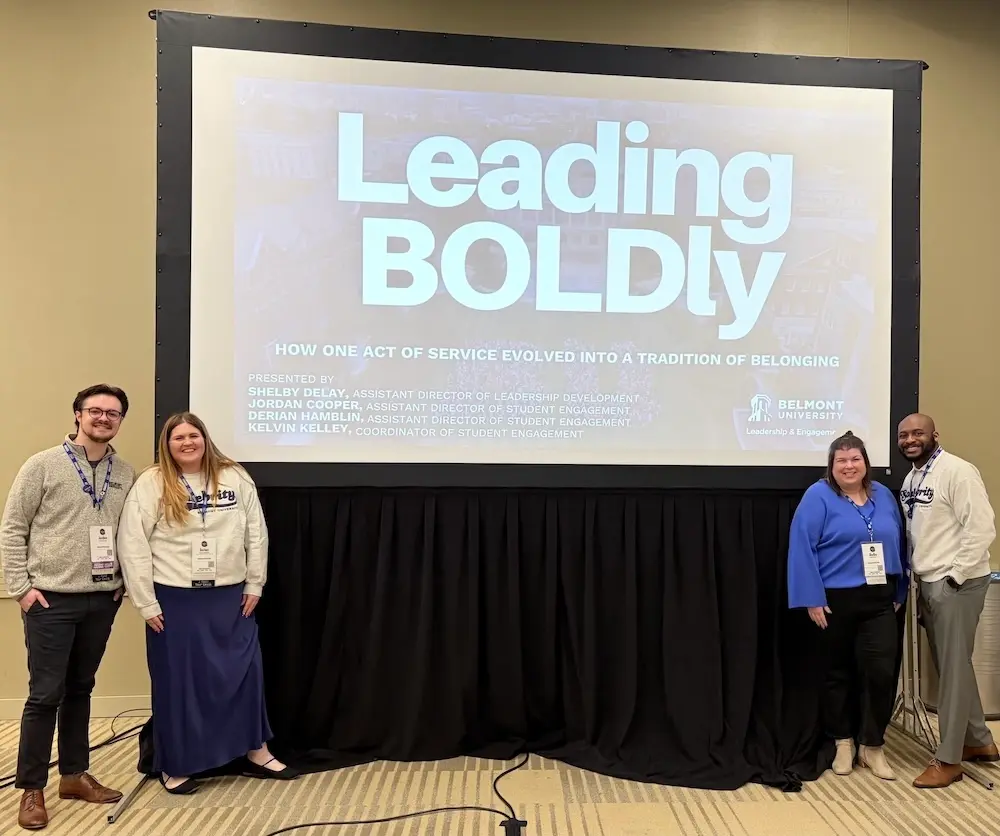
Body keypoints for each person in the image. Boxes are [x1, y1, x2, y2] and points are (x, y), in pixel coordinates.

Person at [115, 411, 297, 794]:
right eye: (178, 437)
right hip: (175, 598)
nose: (187, 443)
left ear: (205, 438)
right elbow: (132, 544)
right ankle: (176, 764)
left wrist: (255, 583)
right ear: (167, 444)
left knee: (244, 674)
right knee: (178, 683)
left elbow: (256, 532)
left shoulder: (233, 475)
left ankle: (256, 750)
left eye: (193, 435)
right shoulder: (152, 483)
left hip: (230, 596)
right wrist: (146, 602)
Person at [0, 384, 135, 831]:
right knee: (45, 695)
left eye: (112, 413)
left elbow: (130, 537)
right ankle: (31, 789)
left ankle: (74, 775)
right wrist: (20, 589)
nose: (103, 418)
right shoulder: (41, 465)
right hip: (50, 599)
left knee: (82, 689)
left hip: (102, 599)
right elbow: (13, 528)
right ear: (77, 415)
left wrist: (124, 585)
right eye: (95, 410)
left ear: (120, 421)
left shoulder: (126, 473)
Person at [787, 431, 908, 781]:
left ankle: (873, 745)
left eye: (855, 459)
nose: (849, 466)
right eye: (841, 460)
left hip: (879, 599)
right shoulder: (818, 496)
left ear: (866, 463)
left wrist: (900, 588)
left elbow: (899, 541)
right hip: (834, 600)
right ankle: (843, 742)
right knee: (836, 673)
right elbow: (802, 546)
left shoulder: (883, 496)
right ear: (832, 466)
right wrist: (811, 597)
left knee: (881, 673)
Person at [898, 413, 998, 789]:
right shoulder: (912, 478)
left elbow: (982, 526)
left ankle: (948, 759)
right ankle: (979, 742)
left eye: (918, 433)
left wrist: (954, 576)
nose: (910, 439)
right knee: (952, 665)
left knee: (953, 671)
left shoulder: (958, 471)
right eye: (904, 435)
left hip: (957, 582)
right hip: (930, 581)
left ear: (934, 435)